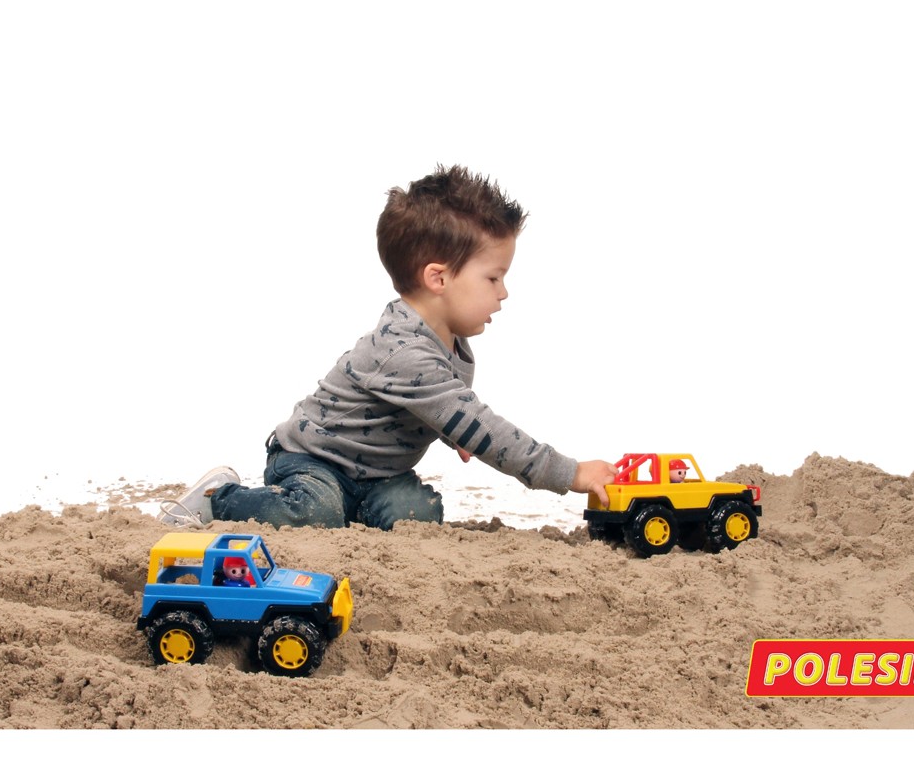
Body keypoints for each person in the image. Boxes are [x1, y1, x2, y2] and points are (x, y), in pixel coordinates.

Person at [160, 164, 618, 531]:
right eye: (493, 278)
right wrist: (570, 472)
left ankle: (349, 515)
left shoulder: (451, 342)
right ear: (438, 278)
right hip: (311, 461)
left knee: (416, 515)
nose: (504, 293)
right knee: (315, 510)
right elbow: (486, 430)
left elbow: (443, 409)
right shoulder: (404, 351)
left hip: (379, 475)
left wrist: (451, 432)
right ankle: (219, 499)